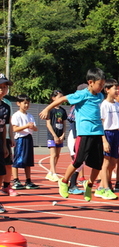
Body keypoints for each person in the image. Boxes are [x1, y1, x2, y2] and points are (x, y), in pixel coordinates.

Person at [39, 68, 107, 202]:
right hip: (84, 132)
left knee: (98, 164)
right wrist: (47, 108)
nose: (102, 87)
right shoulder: (81, 94)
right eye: (100, 84)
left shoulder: (100, 96)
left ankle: (89, 184)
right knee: (78, 161)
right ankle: (64, 181)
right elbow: (63, 99)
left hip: (97, 132)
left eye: (103, 84)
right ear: (90, 82)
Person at [97, 79, 119, 200]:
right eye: (115, 88)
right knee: (106, 161)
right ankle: (104, 188)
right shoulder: (103, 105)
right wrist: (104, 140)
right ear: (107, 89)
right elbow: (101, 123)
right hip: (106, 133)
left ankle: (105, 184)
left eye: (118, 89)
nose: (117, 91)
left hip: (116, 133)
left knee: (113, 162)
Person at [11, 94, 39, 190]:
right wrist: (26, 126)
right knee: (17, 160)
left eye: (28, 103)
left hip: (28, 138)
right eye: (24, 103)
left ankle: (28, 180)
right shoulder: (16, 115)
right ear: (18, 103)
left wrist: (32, 127)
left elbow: (35, 128)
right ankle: (16, 180)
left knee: (28, 161)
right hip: (20, 139)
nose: (26, 105)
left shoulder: (30, 116)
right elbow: (15, 129)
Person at [45, 90, 67, 182]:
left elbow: (65, 123)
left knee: (57, 155)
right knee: (53, 155)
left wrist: (63, 135)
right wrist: (54, 135)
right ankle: (54, 173)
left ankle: (50, 172)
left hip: (60, 135)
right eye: (59, 97)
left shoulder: (63, 110)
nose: (61, 98)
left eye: (62, 96)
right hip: (52, 135)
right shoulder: (50, 109)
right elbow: (48, 124)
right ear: (53, 98)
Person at [0, 74, 13, 212]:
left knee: (1, 172)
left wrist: (4, 145)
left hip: (0, 141)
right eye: (0, 87)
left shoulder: (6, 107)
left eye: (5, 87)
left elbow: (4, 128)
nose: (2, 90)